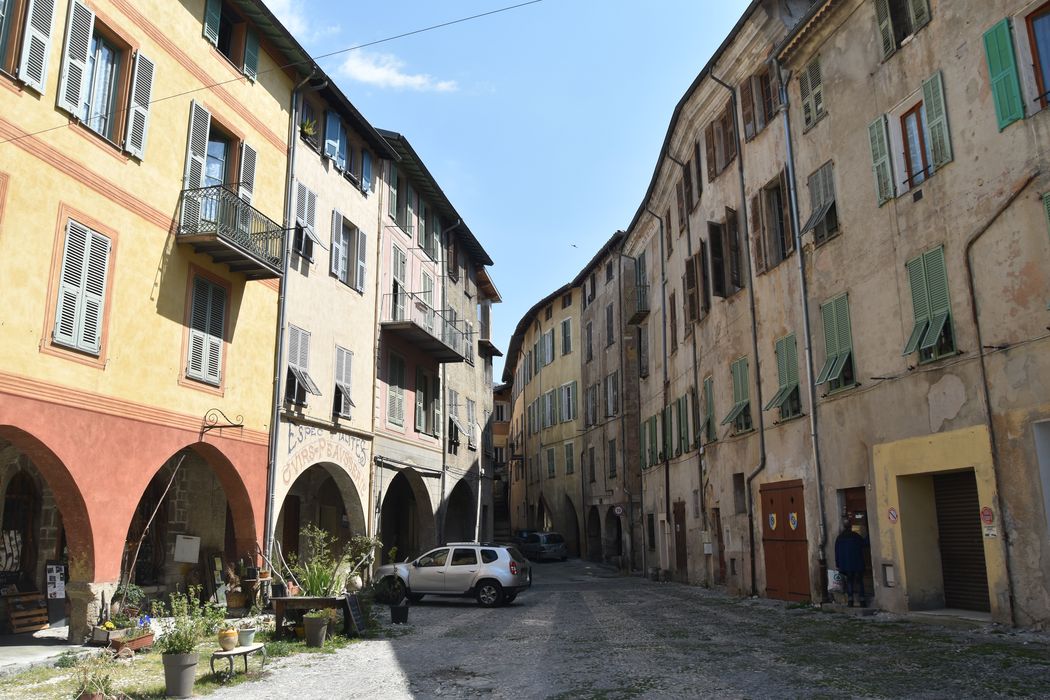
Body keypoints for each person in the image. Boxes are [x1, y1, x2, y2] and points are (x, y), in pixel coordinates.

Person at [834, 519, 866, 607]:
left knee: (849, 581)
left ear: (844, 527)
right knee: (859, 581)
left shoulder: (839, 538)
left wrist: (838, 564)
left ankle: (850, 601)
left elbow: (836, 552)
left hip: (846, 565)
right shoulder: (856, 536)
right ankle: (862, 600)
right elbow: (864, 543)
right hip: (857, 563)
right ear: (851, 527)